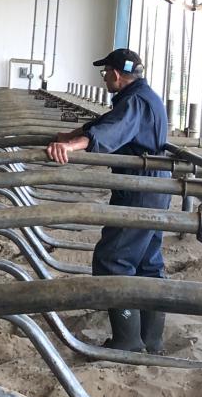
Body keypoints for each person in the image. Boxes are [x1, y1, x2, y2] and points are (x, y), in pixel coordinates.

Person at [46, 48, 170, 353]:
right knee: (146, 263)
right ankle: (151, 341)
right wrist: (70, 134)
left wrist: (72, 146)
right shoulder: (139, 96)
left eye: (105, 73)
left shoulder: (136, 101)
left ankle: (128, 341)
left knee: (113, 259)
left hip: (140, 189)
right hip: (153, 189)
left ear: (115, 74)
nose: (103, 78)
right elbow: (102, 123)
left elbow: (112, 130)